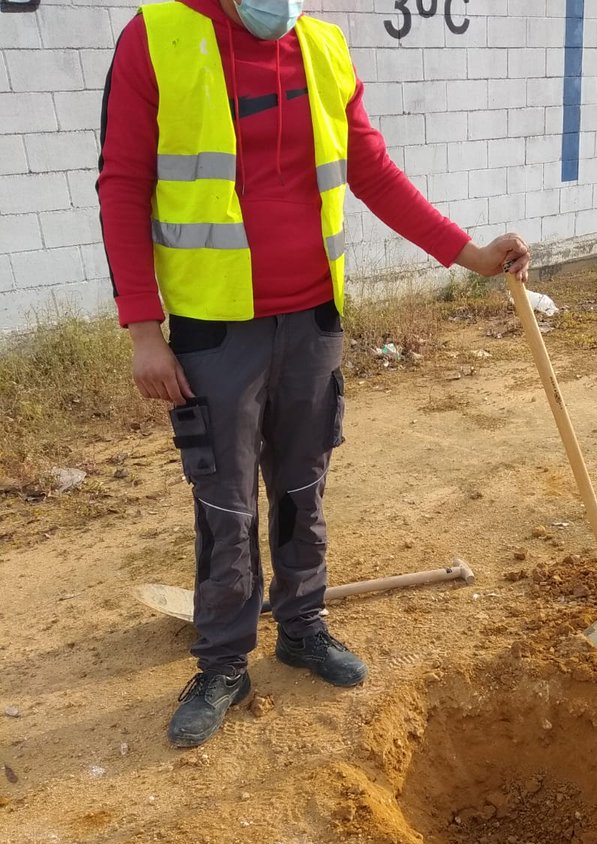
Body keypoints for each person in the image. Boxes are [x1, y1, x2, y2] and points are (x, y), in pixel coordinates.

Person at [97, 0, 529, 749]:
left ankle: (302, 627)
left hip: (313, 320)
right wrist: (143, 329)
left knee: (303, 486)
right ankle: (225, 665)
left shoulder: (324, 46)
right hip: (212, 332)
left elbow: (373, 172)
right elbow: (123, 184)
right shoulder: (157, 37)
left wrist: (471, 255)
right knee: (225, 504)